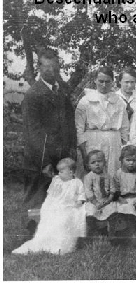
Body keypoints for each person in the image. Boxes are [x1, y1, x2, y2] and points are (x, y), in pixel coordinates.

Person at [21, 48, 77, 214]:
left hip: (61, 157)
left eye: (54, 67)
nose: (51, 70)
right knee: (36, 202)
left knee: (60, 202)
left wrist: (71, 149)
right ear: (39, 67)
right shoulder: (33, 95)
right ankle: (29, 237)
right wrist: (44, 162)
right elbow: (33, 132)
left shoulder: (61, 92)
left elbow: (69, 123)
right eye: (46, 67)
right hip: (39, 158)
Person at [13, 158, 85, 255]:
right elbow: (51, 194)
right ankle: (46, 242)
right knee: (51, 219)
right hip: (56, 204)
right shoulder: (57, 180)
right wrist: (52, 204)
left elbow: (81, 194)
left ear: (71, 172)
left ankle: (61, 244)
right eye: (58, 171)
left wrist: (79, 201)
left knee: (65, 220)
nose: (59, 174)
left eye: (61, 172)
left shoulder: (77, 182)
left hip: (70, 205)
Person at [75, 66, 129, 176]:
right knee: (94, 175)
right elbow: (79, 128)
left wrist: (123, 146)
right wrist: (84, 153)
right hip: (93, 141)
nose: (104, 85)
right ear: (95, 80)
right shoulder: (85, 101)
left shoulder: (119, 102)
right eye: (101, 81)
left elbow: (124, 127)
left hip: (113, 142)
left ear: (112, 82)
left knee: (113, 175)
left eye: (107, 82)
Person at [110, 145, 136, 245]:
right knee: (127, 209)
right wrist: (119, 198)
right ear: (122, 160)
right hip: (124, 198)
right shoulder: (118, 173)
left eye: (134, 160)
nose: (131, 163)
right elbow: (115, 188)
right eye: (128, 160)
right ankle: (132, 232)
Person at [83, 150, 116, 238]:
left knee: (112, 211)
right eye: (93, 162)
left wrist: (109, 199)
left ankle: (110, 233)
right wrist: (96, 203)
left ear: (104, 162)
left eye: (99, 161)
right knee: (90, 212)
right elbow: (88, 191)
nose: (97, 164)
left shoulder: (108, 176)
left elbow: (112, 189)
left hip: (106, 201)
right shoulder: (88, 177)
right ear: (88, 165)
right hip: (94, 201)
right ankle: (94, 231)